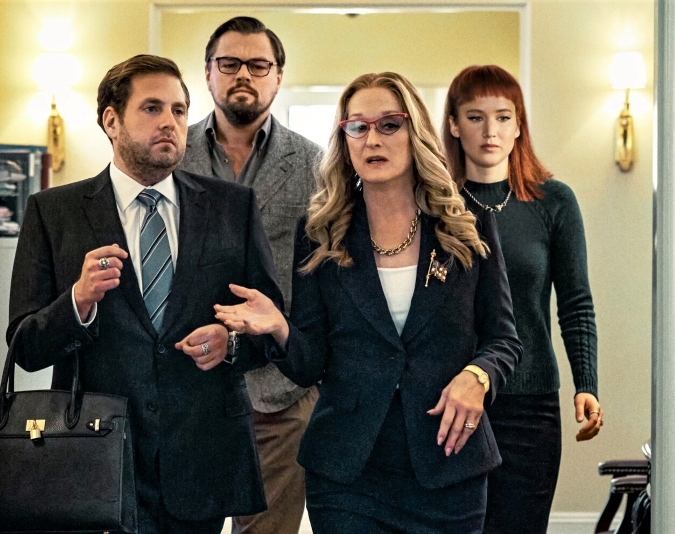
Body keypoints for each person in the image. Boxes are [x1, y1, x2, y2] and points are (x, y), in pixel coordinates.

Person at [214, 71, 522, 533]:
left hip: (448, 463)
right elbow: (310, 363)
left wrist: (477, 377)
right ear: (345, 140)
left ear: (415, 131)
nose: (372, 139)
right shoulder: (319, 233)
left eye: (389, 125)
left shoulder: (467, 223)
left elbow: (503, 339)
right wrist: (280, 327)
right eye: (357, 127)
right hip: (348, 473)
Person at [7, 54, 284, 534]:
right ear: (111, 121)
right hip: (95, 459)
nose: (170, 123)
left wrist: (231, 342)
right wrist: (78, 301)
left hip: (200, 459)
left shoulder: (232, 207)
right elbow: (25, 348)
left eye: (179, 110)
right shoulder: (53, 212)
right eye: (152, 108)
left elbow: (270, 325)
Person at [442, 64, 602, 534]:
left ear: (518, 126)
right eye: (475, 117)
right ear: (454, 124)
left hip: (530, 405)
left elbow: (575, 302)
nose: (490, 131)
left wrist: (586, 383)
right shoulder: (435, 203)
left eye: (502, 117)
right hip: (451, 399)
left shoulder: (554, 201)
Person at [178, 16, 322, 534]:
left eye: (259, 65)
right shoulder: (173, 155)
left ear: (278, 76)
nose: (244, 74)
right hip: (186, 389)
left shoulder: (313, 163)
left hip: (280, 395)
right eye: (230, 63)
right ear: (208, 73)